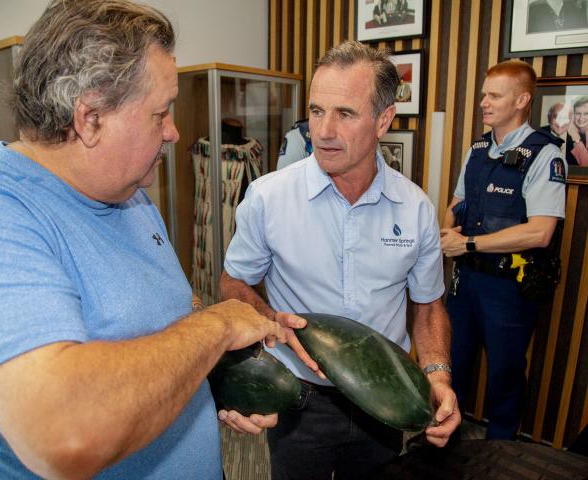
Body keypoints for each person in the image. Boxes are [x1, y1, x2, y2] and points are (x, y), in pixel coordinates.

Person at [0, 1, 290, 479]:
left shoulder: (130, 195)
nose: (173, 133)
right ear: (89, 119)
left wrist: (218, 376)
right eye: (161, 113)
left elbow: (160, 314)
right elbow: (65, 431)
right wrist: (217, 327)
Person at [218, 40, 460, 479]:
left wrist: (438, 375)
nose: (323, 131)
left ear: (383, 119)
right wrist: (270, 319)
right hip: (299, 396)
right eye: (316, 111)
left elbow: (427, 306)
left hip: (384, 398)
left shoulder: (416, 208)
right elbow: (233, 284)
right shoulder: (269, 198)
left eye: (344, 113)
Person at [441, 60, 567, 440]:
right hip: (467, 282)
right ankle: (445, 440)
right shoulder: (479, 148)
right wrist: (448, 229)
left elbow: (541, 231)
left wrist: (469, 243)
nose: (484, 102)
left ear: (522, 100)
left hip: (509, 289)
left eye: (494, 95)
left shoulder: (545, 155)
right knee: (452, 364)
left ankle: (502, 451)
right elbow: (458, 200)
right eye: (484, 94)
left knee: (505, 376)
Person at [568, 95, 588, 165]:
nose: (581, 118)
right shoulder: (565, 133)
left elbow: (585, 165)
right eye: (578, 113)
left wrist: (576, 138)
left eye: (586, 114)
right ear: (573, 114)